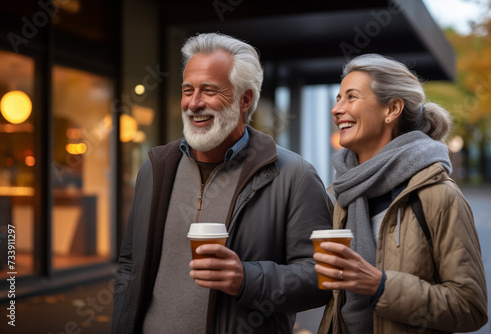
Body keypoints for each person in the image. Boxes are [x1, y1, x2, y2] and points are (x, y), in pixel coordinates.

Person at [111, 32, 332, 334]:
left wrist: (246, 279)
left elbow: (320, 278)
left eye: (209, 90)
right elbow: (129, 266)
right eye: (187, 90)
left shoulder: (295, 175)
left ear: (245, 99)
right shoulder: (155, 168)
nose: (194, 103)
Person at [315, 54, 488, 334]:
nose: (336, 109)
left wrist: (380, 286)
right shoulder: (342, 192)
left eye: (351, 97)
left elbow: (470, 306)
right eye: (337, 99)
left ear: (392, 109)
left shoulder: (437, 195)